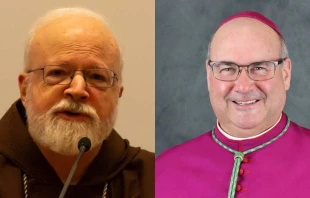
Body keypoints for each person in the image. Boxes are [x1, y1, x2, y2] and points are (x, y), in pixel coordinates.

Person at [0, 7, 154, 198]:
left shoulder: (155, 178)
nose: (78, 90)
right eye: (57, 73)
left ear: (117, 94)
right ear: (24, 89)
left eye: (97, 76)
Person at [156, 11, 310, 198]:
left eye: (259, 67)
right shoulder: (162, 171)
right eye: (228, 69)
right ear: (209, 75)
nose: (243, 86)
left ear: (285, 74)